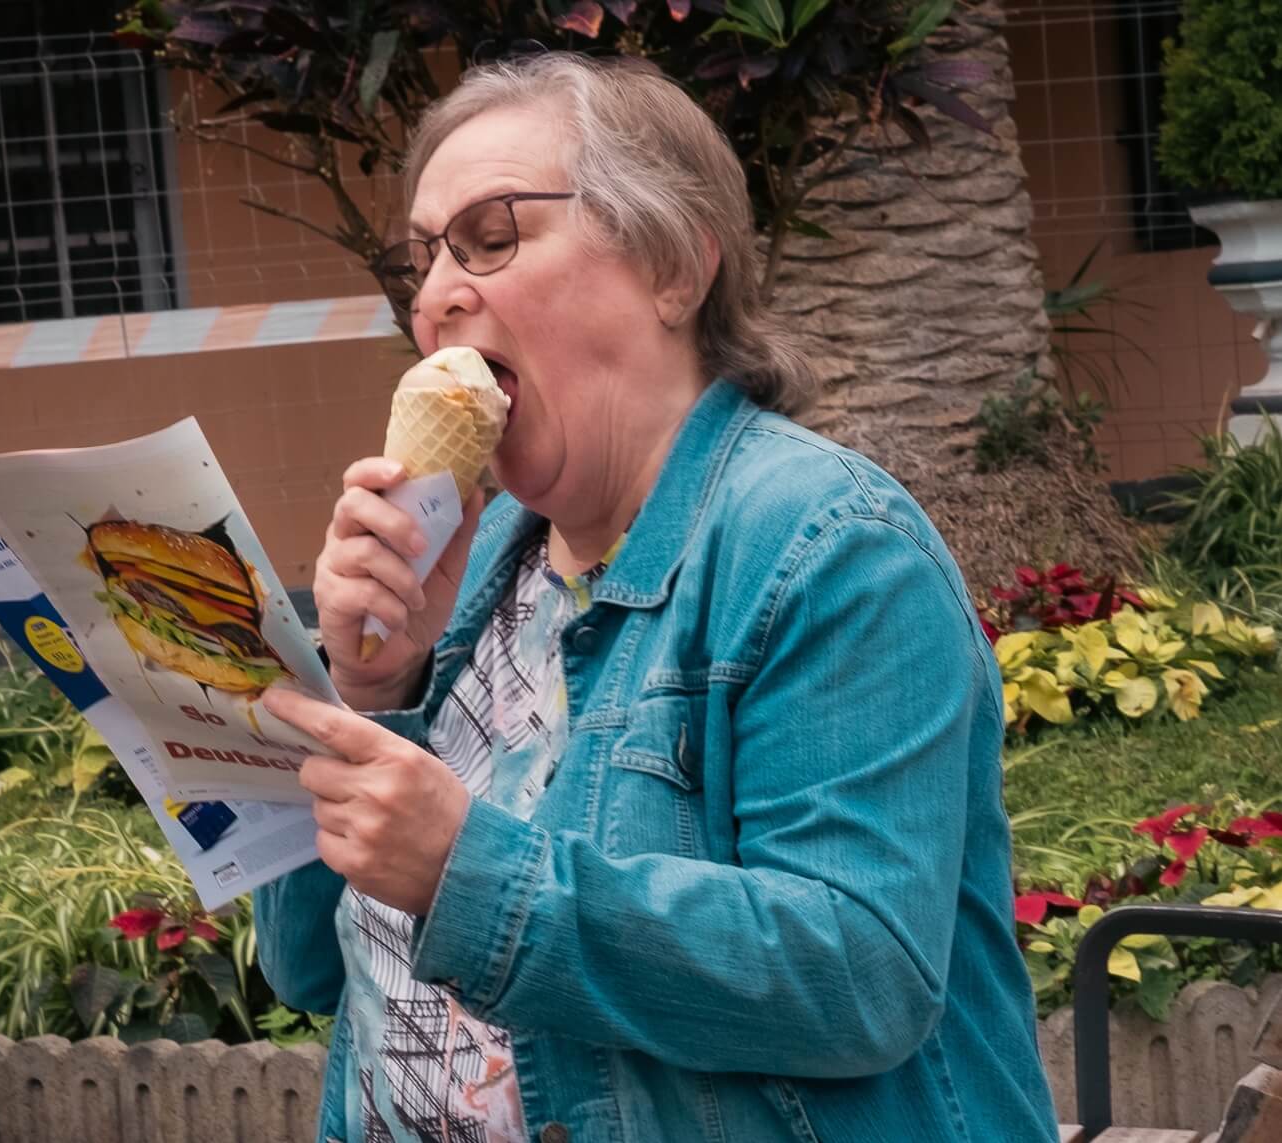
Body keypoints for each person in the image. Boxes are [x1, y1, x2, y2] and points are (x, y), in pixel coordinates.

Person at [255, 51, 1059, 1143]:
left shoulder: (827, 549)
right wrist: (370, 685)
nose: (439, 294)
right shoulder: (483, 557)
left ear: (674, 266)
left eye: (492, 238)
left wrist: (466, 869)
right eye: (423, 260)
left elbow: (860, 975)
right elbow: (304, 967)